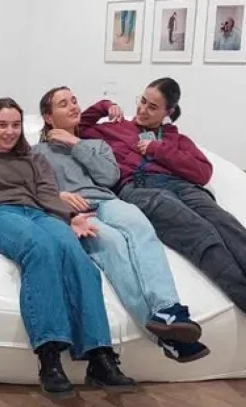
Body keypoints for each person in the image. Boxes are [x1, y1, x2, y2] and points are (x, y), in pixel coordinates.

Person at [77, 77, 246, 337]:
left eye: (153, 107)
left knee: (225, 223)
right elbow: (78, 128)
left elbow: (202, 173)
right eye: (142, 101)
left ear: (168, 112)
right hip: (140, 188)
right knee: (198, 231)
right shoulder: (114, 129)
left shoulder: (176, 139)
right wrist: (104, 105)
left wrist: (158, 149)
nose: (143, 110)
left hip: (183, 186)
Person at [0, 97, 137, 399]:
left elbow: (47, 193)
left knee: (79, 259)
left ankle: (100, 356)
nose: (10, 131)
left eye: (16, 125)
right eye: (2, 125)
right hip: (0, 214)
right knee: (40, 250)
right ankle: (50, 358)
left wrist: (70, 218)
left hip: (40, 213)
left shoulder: (34, 159)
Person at [35, 86, 209, 363]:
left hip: (107, 201)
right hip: (78, 213)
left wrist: (75, 143)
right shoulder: (36, 153)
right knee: (113, 245)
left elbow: (109, 177)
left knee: (140, 227)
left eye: (75, 100)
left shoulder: (95, 144)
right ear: (48, 117)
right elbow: (35, 189)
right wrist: (59, 198)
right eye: (63, 104)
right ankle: (166, 337)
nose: (73, 106)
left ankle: (169, 309)